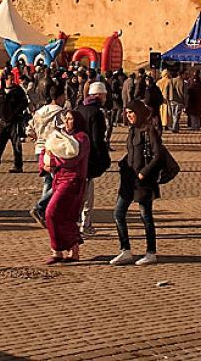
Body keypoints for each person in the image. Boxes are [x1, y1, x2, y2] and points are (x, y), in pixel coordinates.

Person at [110, 100, 164, 267]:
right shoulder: (132, 130)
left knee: (145, 216)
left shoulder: (149, 131)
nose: (129, 116)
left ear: (139, 112)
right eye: (126, 113)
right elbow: (132, 152)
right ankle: (125, 250)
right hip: (128, 180)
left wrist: (143, 172)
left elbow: (157, 156)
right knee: (118, 213)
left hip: (143, 182)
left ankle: (151, 252)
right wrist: (123, 163)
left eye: (131, 112)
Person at [43, 110, 91, 264]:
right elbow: (47, 150)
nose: (67, 122)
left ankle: (56, 248)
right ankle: (72, 249)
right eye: (66, 119)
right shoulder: (59, 135)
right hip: (58, 179)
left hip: (73, 181)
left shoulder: (82, 138)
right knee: (63, 216)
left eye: (70, 119)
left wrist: (52, 162)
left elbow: (72, 158)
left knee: (51, 212)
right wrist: (44, 163)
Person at [28, 86, 67, 227]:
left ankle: (44, 212)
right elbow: (64, 131)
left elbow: (29, 130)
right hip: (53, 150)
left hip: (39, 148)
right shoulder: (60, 113)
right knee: (58, 182)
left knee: (48, 181)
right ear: (59, 97)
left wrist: (38, 136)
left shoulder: (39, 112)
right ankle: (40, 207)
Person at [76, 81, 111, 236]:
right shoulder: (96, 113)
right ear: (98, 95)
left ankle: (79, 223)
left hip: (78, 155)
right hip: (90, 157)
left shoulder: (80, 108)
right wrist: (104, 158)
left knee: (79, 192)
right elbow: (98, 139)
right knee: (88, 193)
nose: (105, 97)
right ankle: (85, 224)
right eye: (103, 94)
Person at [0, 74, 29, 173]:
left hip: (15, 122)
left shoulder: (18, 91)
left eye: (13, 79)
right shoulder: (0, 92)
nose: (12, 81)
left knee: (16, 145)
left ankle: (18, 166)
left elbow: (24, 104)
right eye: (10, 79)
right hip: (2, 122)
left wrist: (16, 113)